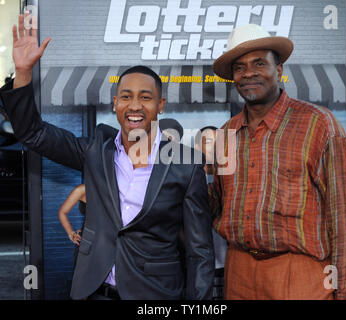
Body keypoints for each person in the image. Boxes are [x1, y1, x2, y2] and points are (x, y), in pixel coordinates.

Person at [0, 14, 214, 300]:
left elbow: (200, 251)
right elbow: (33, 133)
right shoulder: (94, 151)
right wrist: (23, 73)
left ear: (160, 105)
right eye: (125, 96)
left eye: (145, 97)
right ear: (115, 104)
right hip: (93, 291)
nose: (134, 105)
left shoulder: (186, 165)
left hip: (155, 295)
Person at [209, 23, 346, 300]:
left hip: (302, 272)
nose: (249, 74)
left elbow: (345, 214)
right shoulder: (225, 134)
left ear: (278, 70)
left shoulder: (319, 124)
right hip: (238, 272)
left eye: (259, 63)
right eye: (240, 67)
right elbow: (213, 202)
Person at [195, 126, 228, 300]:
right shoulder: (190, 179)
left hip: (227, 265)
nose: (214, 146)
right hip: (198, 266)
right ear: (198, 147)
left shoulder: (229, 179)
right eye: (208, 142)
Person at [58, 184, 86, 268]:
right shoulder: (83, 189)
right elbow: (62, 212)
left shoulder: (115, 188)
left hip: (109, 241)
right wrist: (71, 234)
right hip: (87, 241)